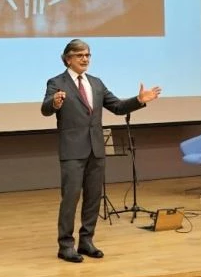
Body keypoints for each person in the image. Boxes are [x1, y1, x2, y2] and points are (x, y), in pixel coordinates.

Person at [41, 39, 161, 263]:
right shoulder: (56, 82)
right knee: (70, 199)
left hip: (96, 149)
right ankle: (65, 245)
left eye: (88, 55)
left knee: (93, 198)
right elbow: (45, 109)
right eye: (80, 55)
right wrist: (55, 103)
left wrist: (138, 100)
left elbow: (117, 107)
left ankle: (86, 241)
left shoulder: (96, 83)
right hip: (72, 150)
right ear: (68, 59)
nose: (85, 59)